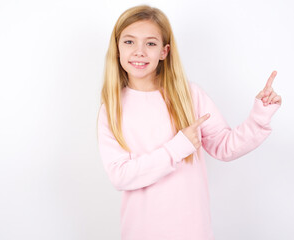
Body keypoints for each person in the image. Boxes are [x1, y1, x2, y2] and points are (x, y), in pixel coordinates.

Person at [96, 4, 282, 240]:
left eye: (150, 43)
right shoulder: (112, 109)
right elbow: (120, 176)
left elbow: (225, 146)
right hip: (141, 233)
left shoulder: (189, 95)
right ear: (117, 48)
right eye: (129, 42)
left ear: (164, 52)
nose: (139, 51)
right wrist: (177, 147)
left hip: (192, 231)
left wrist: (259, 116)